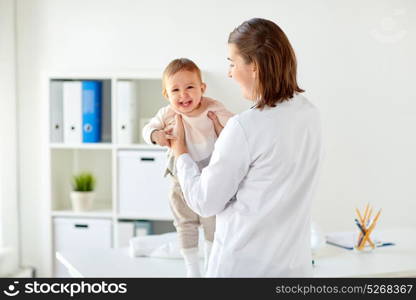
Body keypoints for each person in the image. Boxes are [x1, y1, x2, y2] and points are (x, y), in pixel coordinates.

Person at [169, 18, 323, 277]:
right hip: (294, 269)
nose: (229, 72)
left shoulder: (245, 127)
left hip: (242, 269)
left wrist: (180, 152)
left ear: (254, 66)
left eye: (232, 63)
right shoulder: (310, 114)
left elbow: (204, 203)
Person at [142, 58, 234, 277]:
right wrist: (157, 135)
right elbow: (148, 128)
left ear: (202, 88)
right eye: (175, 90)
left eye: (190, 87)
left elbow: (235, 126)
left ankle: (211, 264)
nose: (183, 95)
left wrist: (224, 131)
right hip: (178, 179)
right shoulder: (167, 113)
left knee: (213, 221)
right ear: (166, 94)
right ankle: (192, 269)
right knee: (185, 223)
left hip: (208, 175)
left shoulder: (212, 107)